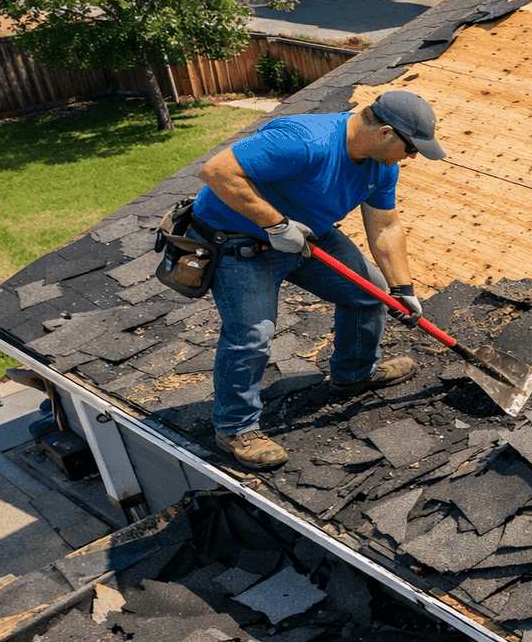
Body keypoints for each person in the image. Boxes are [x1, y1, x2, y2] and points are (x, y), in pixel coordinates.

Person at [190, 90, 446, 470]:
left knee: (369, 293)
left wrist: (402, 289)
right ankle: (234, 428)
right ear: (386, 134)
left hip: (309, 236)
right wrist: (275, 224)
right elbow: (216, 171)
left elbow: (385, 224)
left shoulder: (382, 164)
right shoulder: (304, 141)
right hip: (239, 243)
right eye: (410, 149)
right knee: (252, 334)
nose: (411, 158)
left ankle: (354, 375)